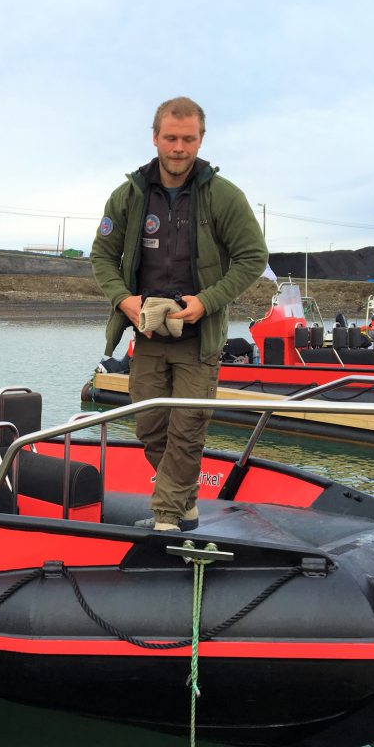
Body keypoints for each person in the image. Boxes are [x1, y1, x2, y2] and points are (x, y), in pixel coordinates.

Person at [90, 96, 268, 532]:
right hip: (147, 335)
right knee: (150, 428)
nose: (178, 148)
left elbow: (253, 257)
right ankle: (186, 501)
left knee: (187, 429)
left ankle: (167, 518)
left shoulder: (224, 196)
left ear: (200, 139)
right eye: (170, 138)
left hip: (198, 340)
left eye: (188, 139)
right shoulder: (129, 195)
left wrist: (206, 301)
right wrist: (124, 300)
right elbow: (101, 255)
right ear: (155, 138)